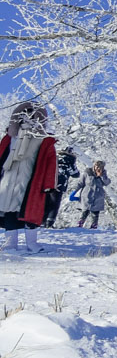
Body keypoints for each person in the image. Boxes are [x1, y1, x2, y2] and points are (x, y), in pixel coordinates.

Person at [0, 102, 60, 254]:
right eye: (24, 116)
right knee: (9, 211)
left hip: (31, 181)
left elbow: (50, 162)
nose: (27, 120)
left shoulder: (43, 139)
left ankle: (32, 243)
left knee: (31, 211)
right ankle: (10, 243)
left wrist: (49, 184)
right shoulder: (10, 138)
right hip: (8, 180)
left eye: (32, 116)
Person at [44, 149, 80, 227]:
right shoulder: (70, 160)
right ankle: (49, 223)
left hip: (49, 182)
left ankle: (42, 220)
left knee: (46, 202)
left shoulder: (55, 157)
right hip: (60, 185)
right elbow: (75, 174)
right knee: (54, 204)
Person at [72, 161, 111, 229]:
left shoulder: (104, 174)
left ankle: (94, 226)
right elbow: (81, 183)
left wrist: (101, 176)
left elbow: (107, 182)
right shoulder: (87, 172)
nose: (98, 168)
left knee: (95, 212)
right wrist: (74, 192)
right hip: (87, 194)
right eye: (97, 166)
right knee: (85, 210)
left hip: (98, 195)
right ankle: (80, 224)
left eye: (100, 167)